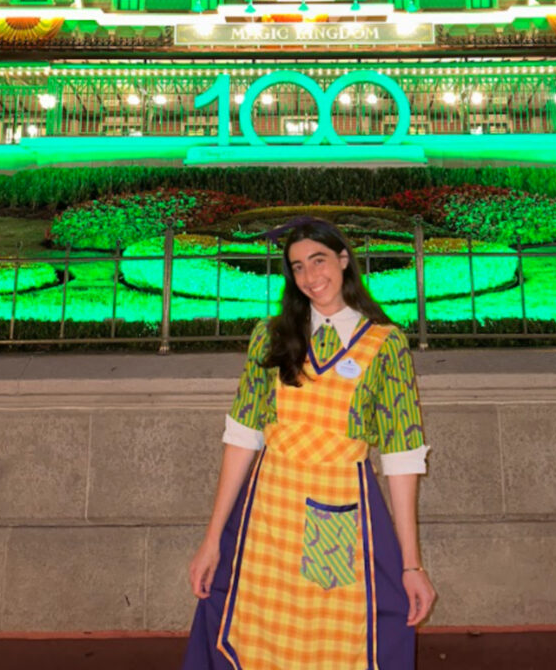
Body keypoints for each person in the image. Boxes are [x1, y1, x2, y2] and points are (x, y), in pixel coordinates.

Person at [181, 216, 435, 670]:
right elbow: (242, 438)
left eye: (318, 260)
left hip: (336, 515)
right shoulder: (272, 336)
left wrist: (410, 565)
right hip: (267, 516)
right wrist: (212, 538)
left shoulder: (384, 345)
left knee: (333, 636)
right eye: (297, 267)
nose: (309, 277)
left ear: (343, 260)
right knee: (256, 630)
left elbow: (400, 459)